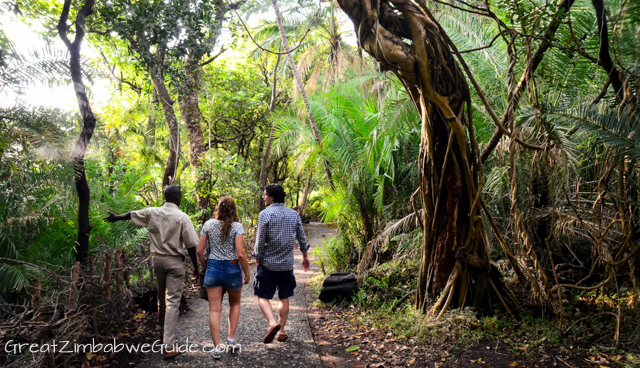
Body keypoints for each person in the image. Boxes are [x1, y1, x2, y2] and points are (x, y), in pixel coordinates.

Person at [103, 185, 199, 360]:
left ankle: (163, 335)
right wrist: (197, 268)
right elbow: (192, 245)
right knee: (172, 302)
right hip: (175, 262)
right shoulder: (182, 217)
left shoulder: (152, 212)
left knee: (163, 298)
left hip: (158, 261)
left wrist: (115, 218)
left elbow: (132, 214)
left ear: (165, 197)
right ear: (178, 198)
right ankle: (168, 347)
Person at [253, 183, 310, 344]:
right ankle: (281, 331)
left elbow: (259, 239)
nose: (263, 197)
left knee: (262, 296)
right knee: (284, 297)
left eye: (265, 194)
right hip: (286, 265)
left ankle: (273, 323)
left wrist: (257, 256)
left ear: (271, 197)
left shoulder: (265, 214)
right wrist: (305, 257)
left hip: (268, 264)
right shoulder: (294, 214)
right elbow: (302, 238)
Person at [197, 196, 250, 359]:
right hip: (232, 268)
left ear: (218, 209)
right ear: (234, 210)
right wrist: (247, 272)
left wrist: (205, 264)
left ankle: (216, 349)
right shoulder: (237, 227)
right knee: (235, 303)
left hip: (213, 268)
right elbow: (240, 253)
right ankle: (231, 340)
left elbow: (199, 251)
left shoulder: (207, 225)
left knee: (214, 309)